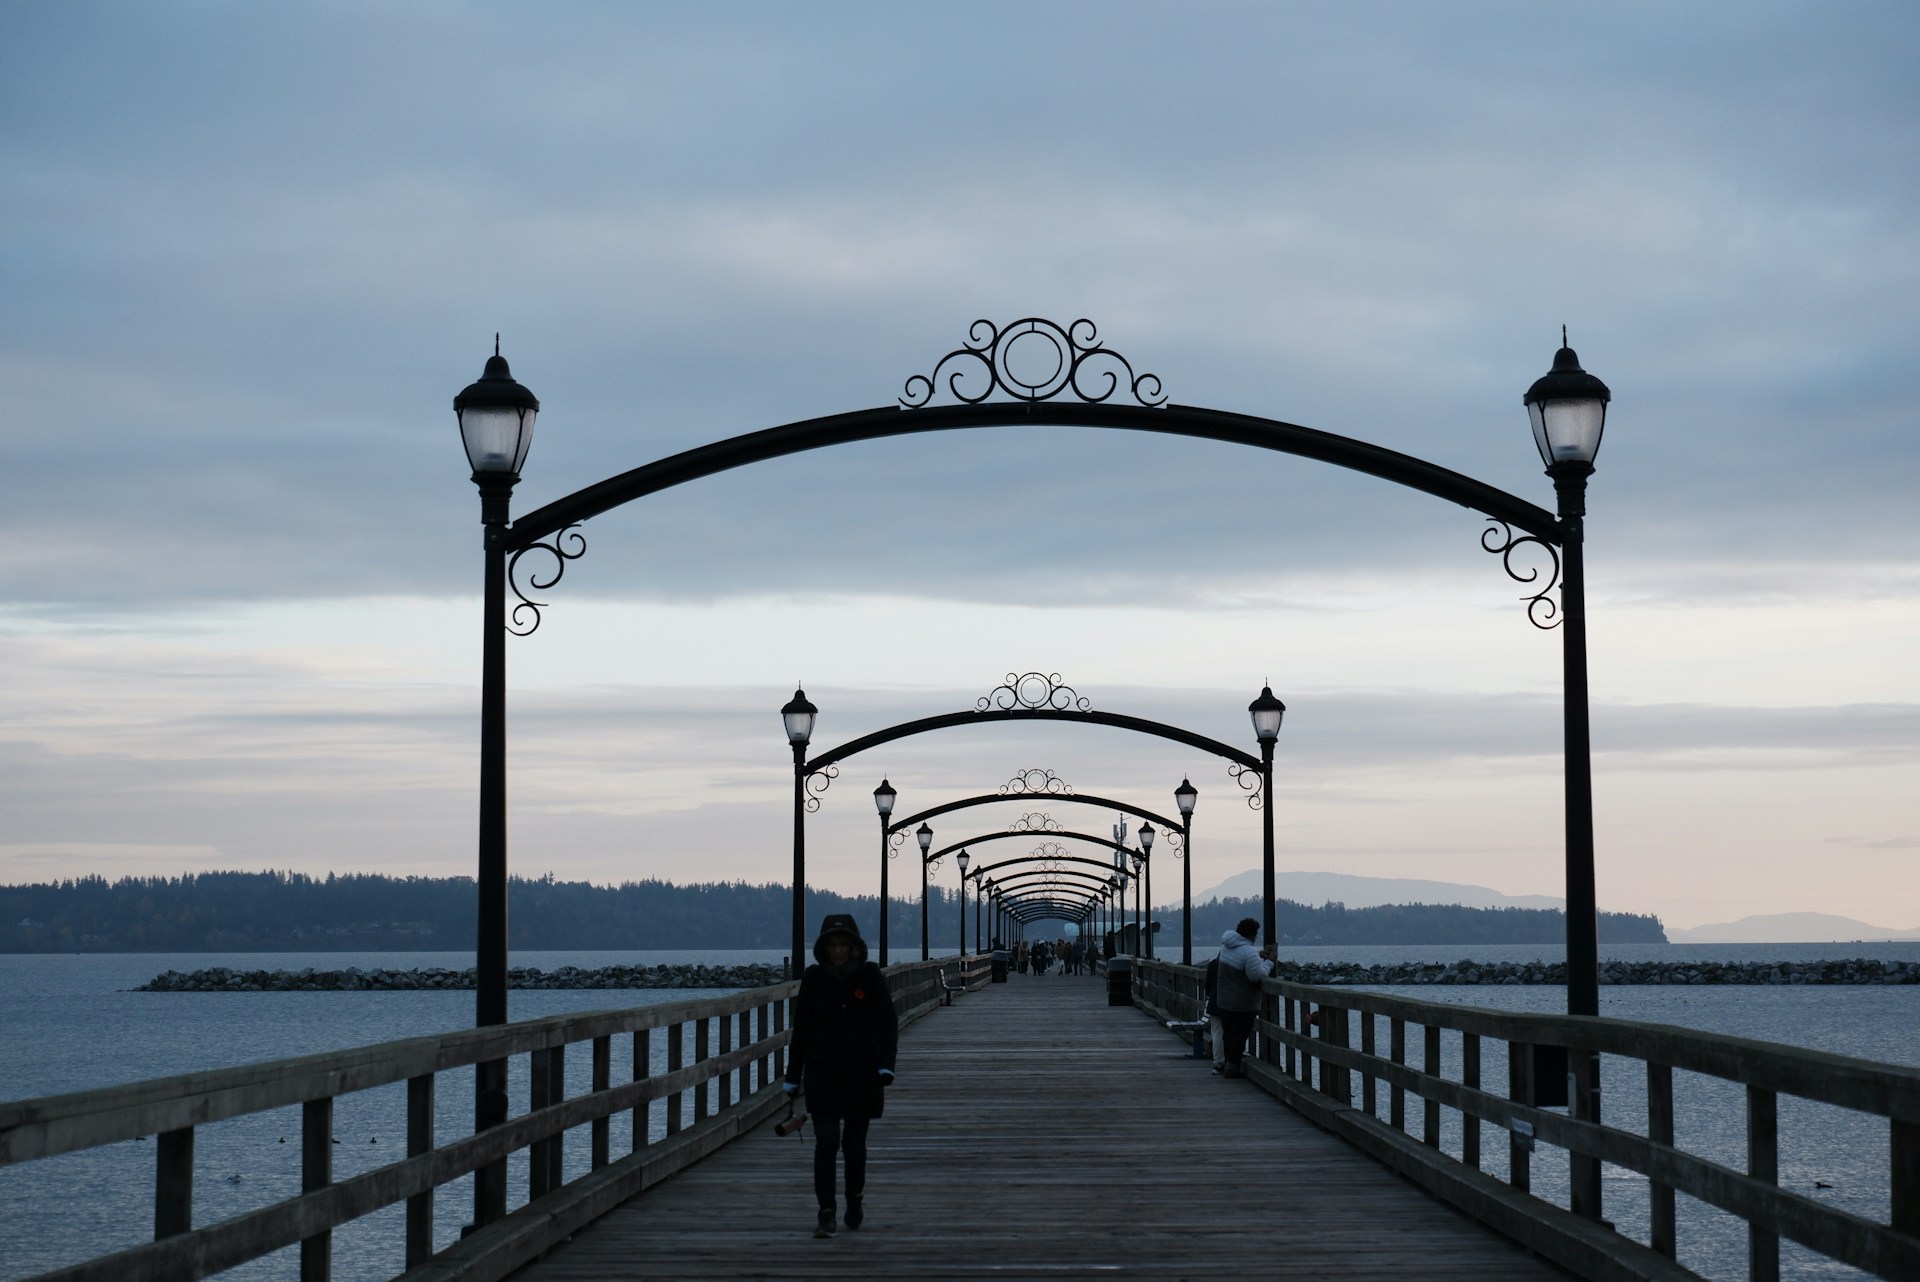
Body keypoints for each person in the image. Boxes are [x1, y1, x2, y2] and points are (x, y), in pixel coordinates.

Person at [782, 914, 898, 1238]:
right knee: (827, 1141)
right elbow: (801, 1030)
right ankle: (826, 1211)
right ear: (824, 948)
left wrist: (886, 1064)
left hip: (863, 1075)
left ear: (853, 947)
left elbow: (888, 1024)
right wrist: (793, 1077)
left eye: (843, 945)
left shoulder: (870, 977)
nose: (837, 952)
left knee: (854, 1146)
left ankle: (855, 1199)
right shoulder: (814, 979)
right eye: (832, 946)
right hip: (823, 1074)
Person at [1214, 917, 1276, 1078]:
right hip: (1242, 1003)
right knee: (1239, 1036)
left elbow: (1240, 958)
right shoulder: (1248, 952)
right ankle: (1232, 1068)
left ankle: (1229, 1064)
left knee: (1228, 1035)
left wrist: (1257, 955)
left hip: (1224, 1001)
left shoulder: (1226, 946)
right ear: (1251, 935)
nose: (1256, 937)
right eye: (1255, 934)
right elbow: (1256, 975)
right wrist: (1269, 962)